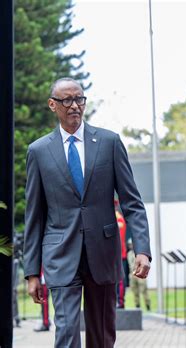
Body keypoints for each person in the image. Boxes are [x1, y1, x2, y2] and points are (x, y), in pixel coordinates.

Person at [23, 77, 152, 348]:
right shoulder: (38, 151)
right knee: (67, 332)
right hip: (60, 254)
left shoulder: (109, 143)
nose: (74, 106)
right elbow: (34, 216)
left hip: (102, 253)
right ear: (52, 105)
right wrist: (32, 272)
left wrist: (142, 250)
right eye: (66, 100)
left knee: (102, 335)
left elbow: (132, 202)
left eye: (79, 99)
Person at [127, 239, 151, 311]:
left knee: (144, 290)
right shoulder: (129, 254)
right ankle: (137, 306)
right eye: (130, 244)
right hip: (132, 274)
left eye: (131, 244)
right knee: (135, 291)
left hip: (140, 273)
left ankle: (148, 306)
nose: (131, 246)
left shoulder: (139, 253)